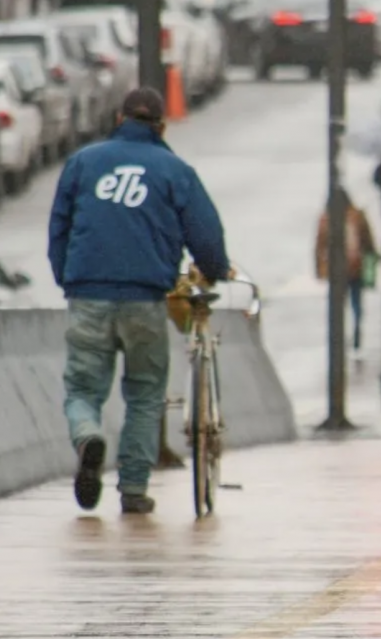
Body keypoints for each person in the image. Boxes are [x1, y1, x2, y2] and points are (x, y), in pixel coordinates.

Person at [48, 87, 231, 515]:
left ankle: (88, 434)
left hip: (88, 294)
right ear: (162, 126)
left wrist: (68, 278)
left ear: (119, 117)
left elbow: (59, 228)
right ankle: (133, 488)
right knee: (146, 394)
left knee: (82, 388)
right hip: (146, 298)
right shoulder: (175, 170)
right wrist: (216, 269)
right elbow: (205, 235)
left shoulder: (82, 163)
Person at [315, 193, 377, 352]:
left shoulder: (326, 220)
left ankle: (340, 336)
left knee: (338, 305)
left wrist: (320, 269)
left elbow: (319, 246)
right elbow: (368, 241)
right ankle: (355, 331)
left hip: (337, 270)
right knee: (356, 304)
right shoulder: (357, 216)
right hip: (355, 267)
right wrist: (372, 257)